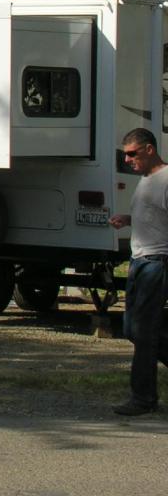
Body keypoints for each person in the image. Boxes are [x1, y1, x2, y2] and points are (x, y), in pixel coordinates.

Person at [109, 128, 168, 416]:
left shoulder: (166, 179)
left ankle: (143, 399)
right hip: (139, 261)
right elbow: (154, 216)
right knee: (132, 328)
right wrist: (128, 219)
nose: (128, 160)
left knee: (143, 331)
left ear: (149, 149)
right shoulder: (145, 180)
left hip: (158, 262)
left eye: (132, 154)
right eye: (125, 155)